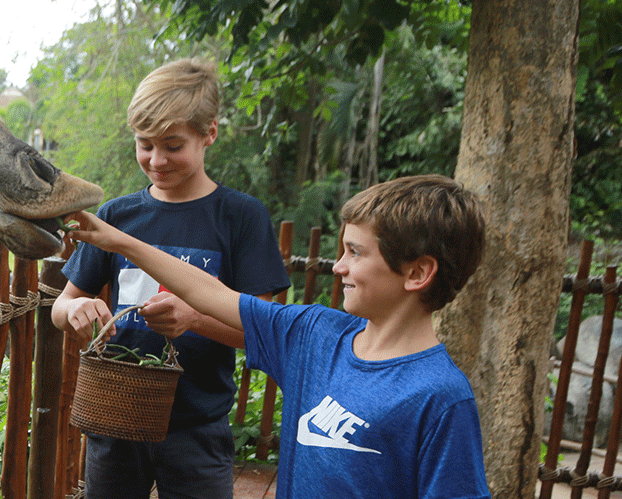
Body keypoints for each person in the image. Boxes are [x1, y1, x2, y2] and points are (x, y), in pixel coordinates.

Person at [65, 174, 492, 499]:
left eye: (356, 253)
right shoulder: (314, 335)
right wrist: (119, 241)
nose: (338, 267)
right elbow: (210, 294)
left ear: (417, 273)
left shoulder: (439, 399)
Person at [51, 58, 290, 499]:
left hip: (199, 428)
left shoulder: (241, 217)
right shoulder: (117, 216)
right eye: (145, 145)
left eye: (173, 145)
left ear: (209, 134)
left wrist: (195, 319)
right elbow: (59, 307)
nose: (156, 160)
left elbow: (264, 329)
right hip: (115, 420)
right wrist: (74, 309)